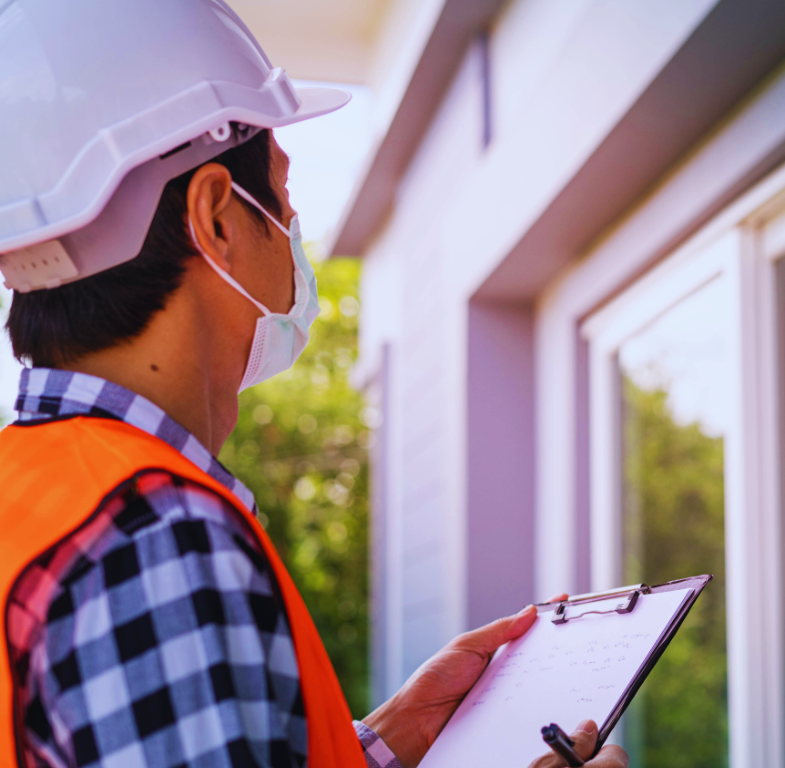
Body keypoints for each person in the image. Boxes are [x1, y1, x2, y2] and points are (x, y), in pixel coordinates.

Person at [0, 2, 627, 767]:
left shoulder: (34, 495)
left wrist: (384, 744)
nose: (295, 225)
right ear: (218, 219)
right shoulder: (155, 537)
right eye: (283, 197)